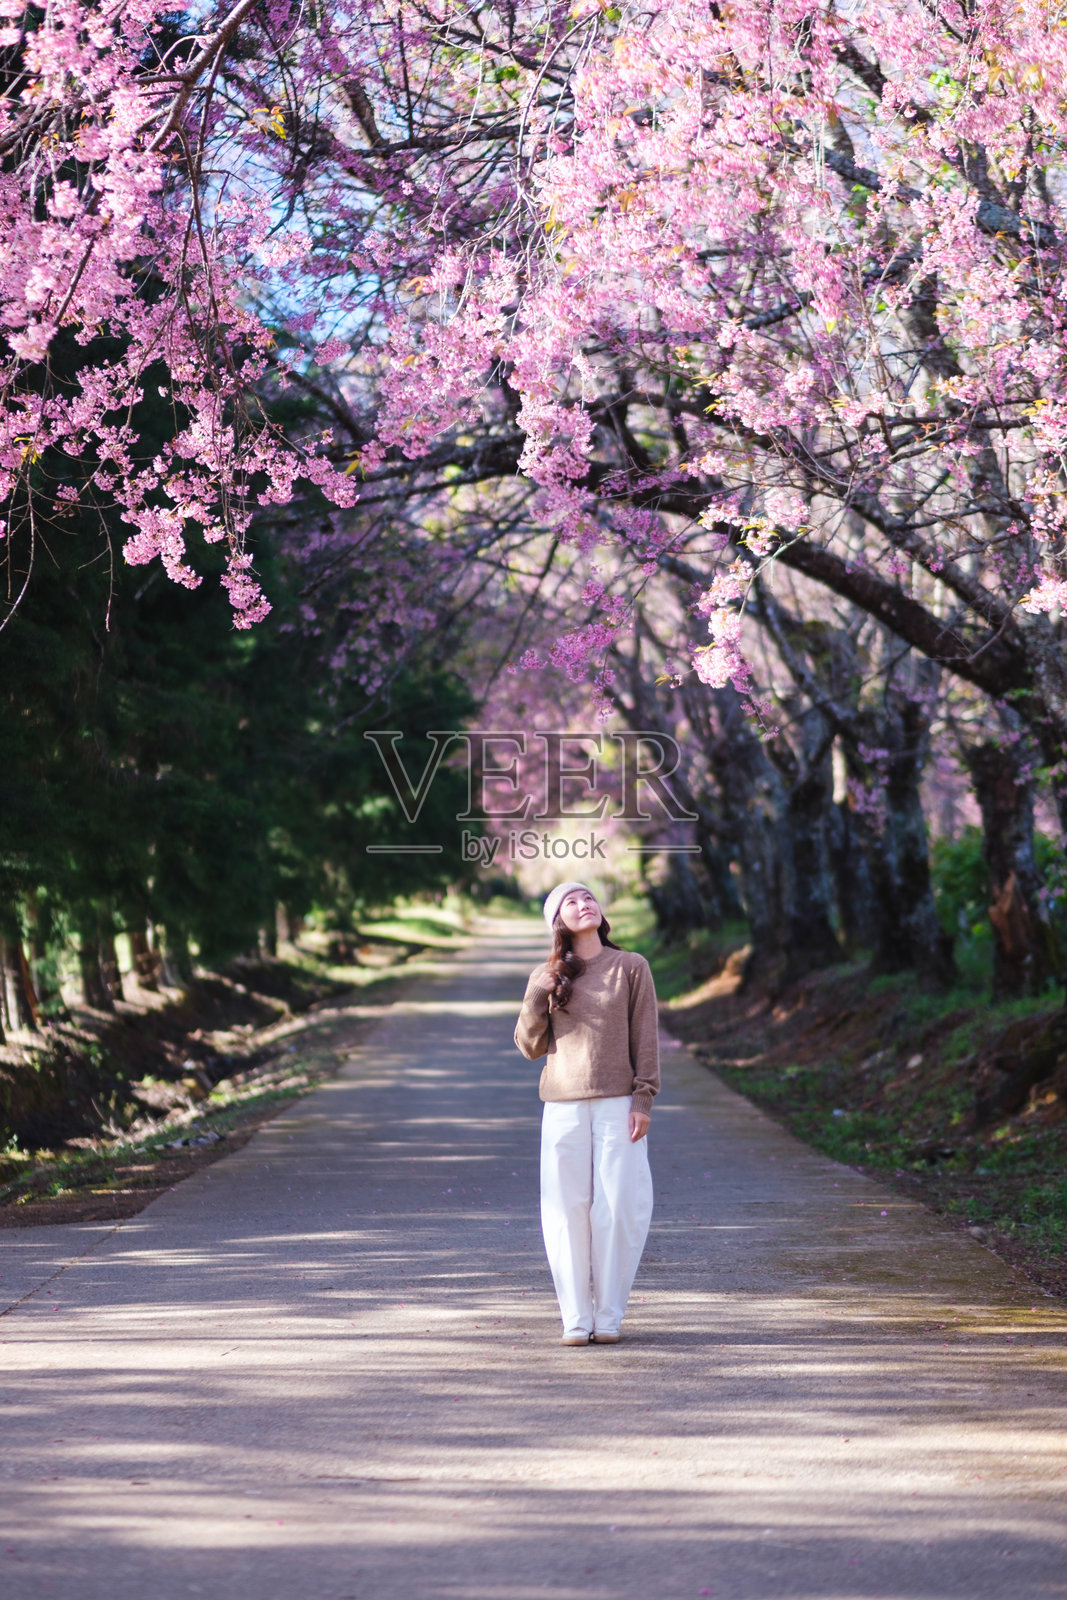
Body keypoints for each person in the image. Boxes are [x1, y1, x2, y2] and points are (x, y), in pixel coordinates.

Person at [514, 881, 659, 1345]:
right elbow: (529, 1046)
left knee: (619, 1208)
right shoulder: (547, 974)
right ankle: (576, 1318)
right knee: (565, 1211)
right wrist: (540, 994)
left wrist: (643, 1098)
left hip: (619, 1102)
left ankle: (609, 1315)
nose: (584, 904)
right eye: (571, 902)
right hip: (562, 1106)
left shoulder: (631, 967)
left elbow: (646, 1038)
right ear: (558, 920)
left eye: (589, 897)